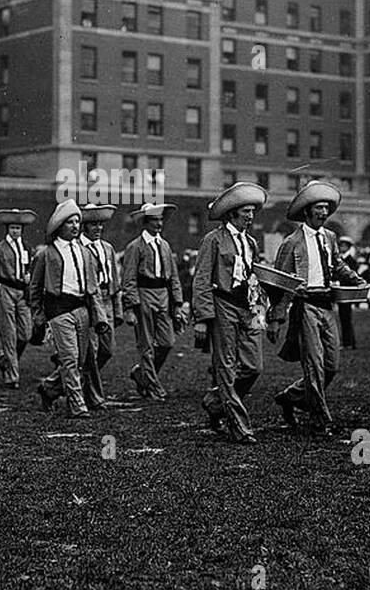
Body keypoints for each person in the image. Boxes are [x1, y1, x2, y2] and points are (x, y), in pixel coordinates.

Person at [268, 181, 367, 433]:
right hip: (305, 306)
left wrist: (356, 279)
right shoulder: (292, 243)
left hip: (327, 305)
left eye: (326, 208)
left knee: (331, 364)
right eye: (319, 208)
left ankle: (291, 397)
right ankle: (319, 418)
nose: (324, 213)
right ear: (307, 210)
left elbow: (338, 265)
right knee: (314, 364)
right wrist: (276, 317)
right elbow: (278, 281)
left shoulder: (330, 237)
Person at [193, 181, 269, 445]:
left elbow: (255, 279)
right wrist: (202, 319)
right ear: (232, 213)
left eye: (252, 211)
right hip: (222, 306)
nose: (250, 216)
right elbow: (201, 279)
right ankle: (239, 427)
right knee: (225, 367)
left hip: (247, 308)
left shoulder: (250, 242)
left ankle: (215, 402)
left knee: (253, 367)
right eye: (245, 211)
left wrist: (261, 314)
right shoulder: (213, 240)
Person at [29, 199, 109, 417]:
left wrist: (99, 317)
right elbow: (34, 288)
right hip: (58, 310)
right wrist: (37, 315)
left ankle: (49, 388)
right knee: (70, 358)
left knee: (81, 360)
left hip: (82, 309)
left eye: (77, 222)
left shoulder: (86, 253)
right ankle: (77, 405)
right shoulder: (46, 254)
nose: (75, 226)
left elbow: (93, 289)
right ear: (58, 226)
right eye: (69, 223)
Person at [120, 203, 183, 401]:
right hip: (144, 295)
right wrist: (130, 306)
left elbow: (173, 276)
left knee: (167, 342)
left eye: (160, 220)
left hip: (162, 295)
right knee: (146, 344)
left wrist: (178, 304)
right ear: (145, 223)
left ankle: (142, 374)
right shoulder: (135, 247)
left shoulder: (164, 245)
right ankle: (152, 386)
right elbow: (128, 278)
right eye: (154, 220)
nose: (159, 224)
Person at [0, 209, 37, 390]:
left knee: (26, 333)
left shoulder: (27, 247)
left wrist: (30, 278)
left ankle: (5, 359)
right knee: (9, 334)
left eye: (18, 228)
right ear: (7, 228)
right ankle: (12, 376)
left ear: (22, 229)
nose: (15, 231)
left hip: (23, 293)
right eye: (12, 227)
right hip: (6, 290)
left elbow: (32, 269)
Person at [79, 203, 123, 405]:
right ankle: (94, 397)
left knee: (108, 350)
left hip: (106, 300)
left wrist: (117, 308)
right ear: (84, 226)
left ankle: (54, 384)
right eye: (93, 224)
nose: (97, 228)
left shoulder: (107, 248)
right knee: (92, 350)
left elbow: (114, 280)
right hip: (88, 302)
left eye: (100, 224)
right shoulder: (79, 248)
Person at [336, 234, 360, 348]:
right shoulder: (341, 259)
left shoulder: (351, 261)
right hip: (341, 291)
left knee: (346, 317)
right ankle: (349, 342)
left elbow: (352, 276)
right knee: (343, 316)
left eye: (344, 246)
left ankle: (349, 342)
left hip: (347, 291)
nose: (342, 247)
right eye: (341, 245)